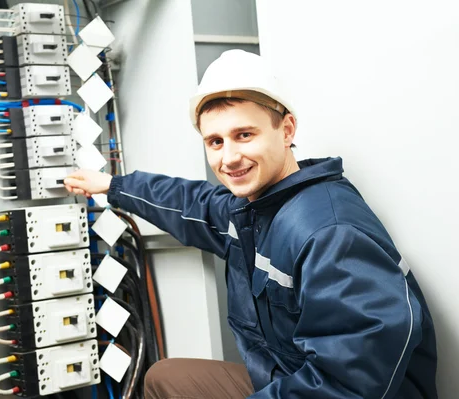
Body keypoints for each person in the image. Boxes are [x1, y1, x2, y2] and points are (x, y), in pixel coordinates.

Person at [64, 50, 437, 399]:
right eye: (215, 141)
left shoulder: (328, 233)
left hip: (339, 391)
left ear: (287, 130)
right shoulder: (255, 210)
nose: (229, 157)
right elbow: (191, 202)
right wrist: (113, 186)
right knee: (163, 377)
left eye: (244, 135)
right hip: (285, 377)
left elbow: (350, 382)